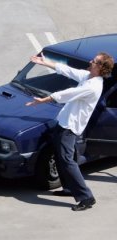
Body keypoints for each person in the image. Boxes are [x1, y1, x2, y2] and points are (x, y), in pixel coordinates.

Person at [26, 52, 114, 211]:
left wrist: (45, 99)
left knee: (67, 160)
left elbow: (68, 94)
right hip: (65, 123)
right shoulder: (89, 77)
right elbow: (67, 70)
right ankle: (68, 188)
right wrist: (44, 62)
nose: (90, 61)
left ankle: (86, 197)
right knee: (64, 157)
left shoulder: (92, 86)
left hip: (69, 127)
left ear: (100, 67)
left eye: (94, 61)